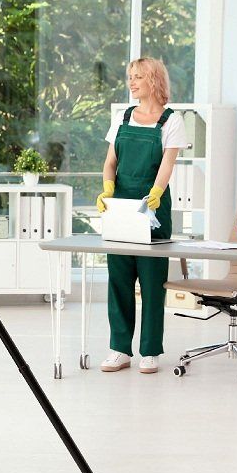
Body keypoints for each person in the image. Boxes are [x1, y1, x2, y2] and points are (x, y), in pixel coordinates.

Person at [96, 57, 186, 374]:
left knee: (151, 281)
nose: (131, 82)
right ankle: (119, 349)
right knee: (118, 279)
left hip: (152, 205)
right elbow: (111, 161)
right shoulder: (123, 117)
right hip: (120, 204)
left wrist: (157, 194)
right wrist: (108, 188)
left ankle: (150, 350)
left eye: (138, 77)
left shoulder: (172, 121)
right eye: (130, 77)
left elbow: (167, 165)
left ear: (154, 80)